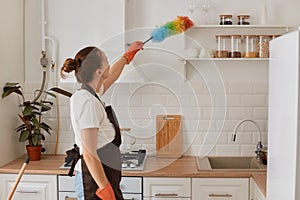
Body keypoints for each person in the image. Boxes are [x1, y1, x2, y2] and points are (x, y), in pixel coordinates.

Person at [60, 41, 144, 200]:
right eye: (106, 60)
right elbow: (90, 154)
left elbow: (112, 75)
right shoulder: (88, 102)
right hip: (94, 181)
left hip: (102, 174)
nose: (109, 64)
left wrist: (127, 57)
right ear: (98, 71)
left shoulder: (90, 93)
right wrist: (105, 190)